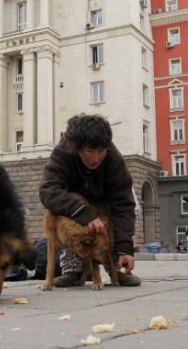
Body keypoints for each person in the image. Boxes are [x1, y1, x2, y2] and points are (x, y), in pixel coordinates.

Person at [39, 114, 141, 287]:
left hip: (104, 200)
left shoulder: (114, 161)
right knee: (60, 215)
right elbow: (48, 190)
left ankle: (117, 265)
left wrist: (125, 248)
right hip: (74, 204)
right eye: (89, 151)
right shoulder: (63, 153)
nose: (95, 158)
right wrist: (83, 212)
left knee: (111, 218)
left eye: (101, 151)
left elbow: (123, 205)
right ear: (77, 148)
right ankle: (73, 268)